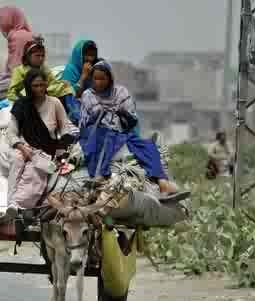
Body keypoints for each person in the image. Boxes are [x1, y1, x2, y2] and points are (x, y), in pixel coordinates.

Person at [79, 60, 188, 199]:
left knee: (147, 146)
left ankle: (162, 182)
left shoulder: (121, 92)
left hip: (120, 132)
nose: (99, 82)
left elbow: (131, 117)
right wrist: (107, 112)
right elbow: (92, 115)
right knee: (103, 139)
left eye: (102, 79)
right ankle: (100, 175)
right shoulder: (88, 94)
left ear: (110, 79)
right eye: (95, 78)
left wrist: (122, 112)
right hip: (95, 131)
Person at [3, 69, 79, 221]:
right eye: (35, 85)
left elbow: (65, 129)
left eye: (42, 85)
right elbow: (11, 132)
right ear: (29, 86)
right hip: (23, 147)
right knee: (17, 163)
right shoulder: (21, 105)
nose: (39, 89)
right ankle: (11, 204)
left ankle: (18, 205)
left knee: (34, 174)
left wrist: (61, 152)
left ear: (46, 85)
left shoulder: (54, 103)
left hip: (45, 150)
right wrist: (22, 147)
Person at [6, 37, 74, 102]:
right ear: (28, 56)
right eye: (37, 55)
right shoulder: (19, 71)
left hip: (45, 98)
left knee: (67, 90)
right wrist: (22, 101)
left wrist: (63, 84)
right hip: (27, 100)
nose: (41, 58)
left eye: (43, 56)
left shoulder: (44, 68)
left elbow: (53, 83)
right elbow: (11, 93)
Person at [0, 5, 34, 79]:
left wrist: (6, 75)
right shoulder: (24, 34)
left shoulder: (18, 37)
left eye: (0, 22)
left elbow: (16, 68)